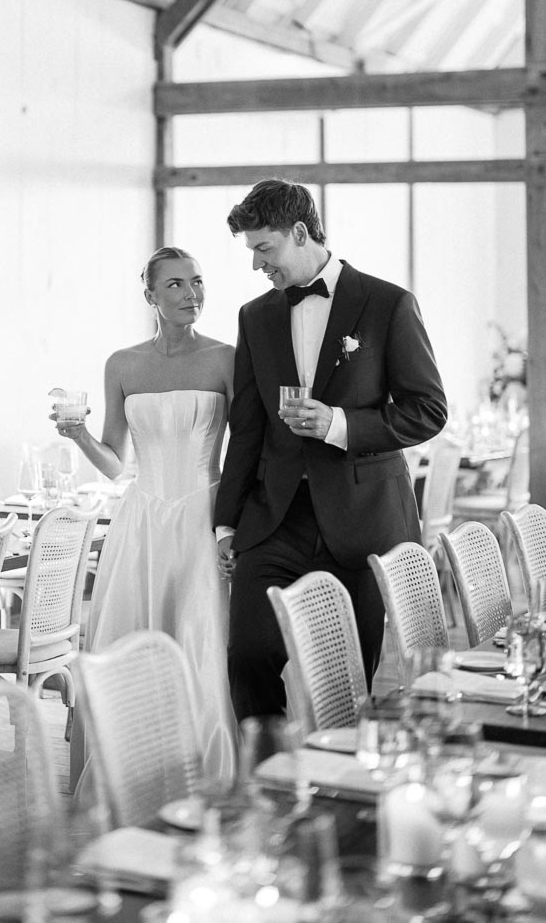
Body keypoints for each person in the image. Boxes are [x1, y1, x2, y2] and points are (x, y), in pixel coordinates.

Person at [213, 179, 447, 721]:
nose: (256, 264)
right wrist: (226, 524)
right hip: (274, 519)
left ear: (300, 232)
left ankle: (335, 766)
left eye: (264, 248)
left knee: (348, 683)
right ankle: (266, 764)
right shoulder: (255, 316)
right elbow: (246, 428)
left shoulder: (388, 304)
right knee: (248, 655)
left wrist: (339, 423)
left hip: (362, 520)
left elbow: (428, 410)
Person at [54, 246, 238, 786]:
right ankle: (134, 775)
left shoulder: (226, 358)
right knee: (134, 643)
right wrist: (78, 435)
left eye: (197, 282)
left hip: (204, 517)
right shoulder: (123, 364)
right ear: (150, 295)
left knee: (201, 640)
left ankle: (206, 773)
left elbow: (247, 450)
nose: (191, 294)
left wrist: (235, 527)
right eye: (175, 284)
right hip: (142, 522)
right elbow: (116, 463)